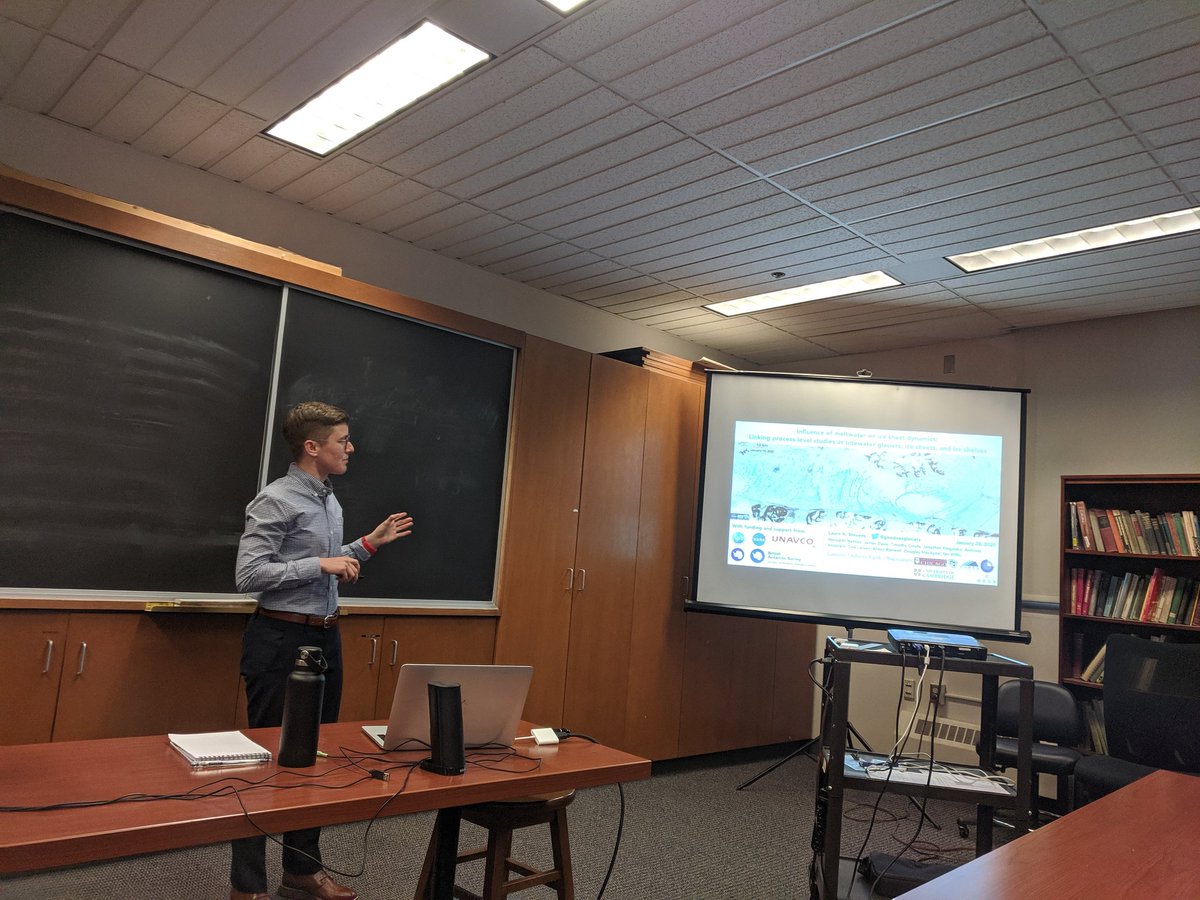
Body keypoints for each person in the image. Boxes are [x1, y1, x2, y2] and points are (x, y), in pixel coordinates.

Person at [231, 401, 413, 900]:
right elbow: (250, 575)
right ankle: (247, 887)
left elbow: (331, 563)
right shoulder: (276, 500)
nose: (351, 448)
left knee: (313, 758)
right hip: (279, 639)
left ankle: (302, 872)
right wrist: (322, 564)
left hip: (323, 639)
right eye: (343, 440)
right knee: (265, 758)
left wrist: (366, 546)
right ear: (313, 447)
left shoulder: (329, 500)